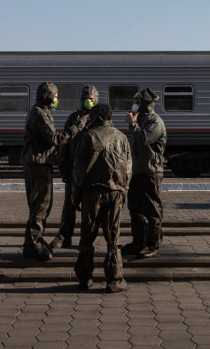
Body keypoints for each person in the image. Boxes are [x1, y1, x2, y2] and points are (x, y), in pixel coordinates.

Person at [20, 81, 88, 261]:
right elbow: (56, 140)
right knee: (41, 206)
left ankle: (36, 238)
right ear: (47, 96)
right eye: (55, 96)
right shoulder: (40, 114)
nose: (57, 99)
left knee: (40, 205)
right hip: (39, 166)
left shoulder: (39, 111)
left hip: (38, 164)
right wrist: (77, 127)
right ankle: (32, 245)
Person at [71, 103, 132, 293]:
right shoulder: (121, 137)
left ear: (95, 117)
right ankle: (114, 280)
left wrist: (75, 194)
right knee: (113, 235)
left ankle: (84, 278)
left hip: (92, 192)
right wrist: (124, 190)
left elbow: (79, 168)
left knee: (87, 235)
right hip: (115, 192)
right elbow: (128, 167)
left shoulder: (88, 136)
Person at [51, 85, 99, 249]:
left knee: (89, 208)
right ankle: (64, 236)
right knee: (69, 206)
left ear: (96, 100)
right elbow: (64, 145)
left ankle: (86, 239)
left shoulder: (100, 119)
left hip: (92, 171)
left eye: (91, 99)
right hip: (73, 169)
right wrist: (63, 168)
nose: (88, 101)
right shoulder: (74, 118)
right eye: (85, 98)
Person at [122, 88, 167, 259]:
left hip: (150, 171)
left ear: (145, 104)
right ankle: (138, 243)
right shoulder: (140, 120)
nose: (134, 104)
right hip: (137, 171)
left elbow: (144, 139)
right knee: (135, 209)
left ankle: (153, 245)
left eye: (137, 102)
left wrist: (132, 124)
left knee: (151, 209)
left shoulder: (155, 122)